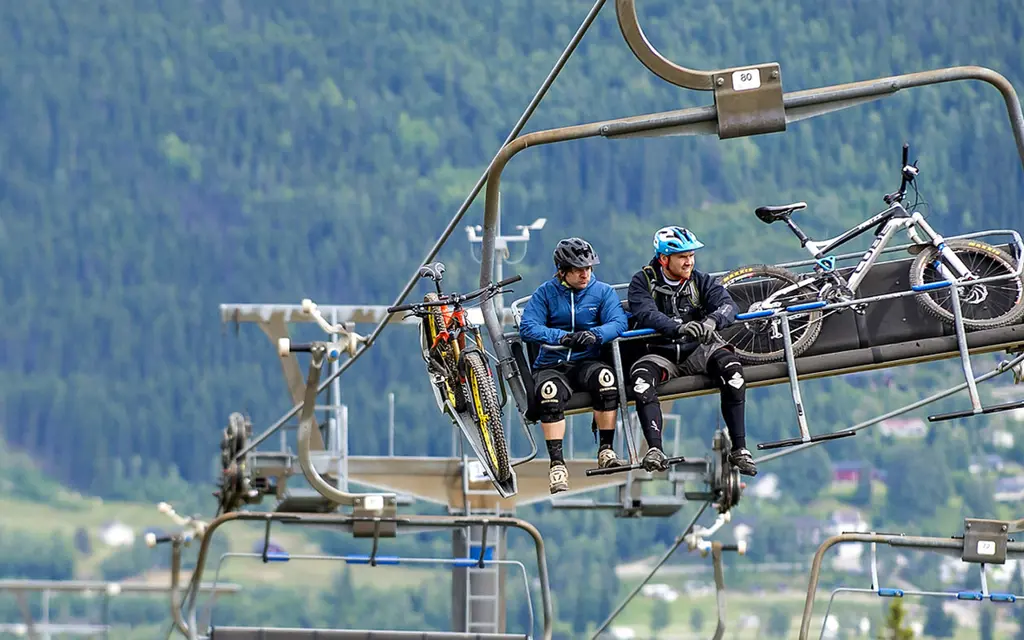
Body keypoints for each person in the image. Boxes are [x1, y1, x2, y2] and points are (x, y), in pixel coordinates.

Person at [625, 226, 758, 476]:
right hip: (659, 352)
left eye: (691, 255)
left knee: (734, 374)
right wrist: (679, 328)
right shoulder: (642, 281)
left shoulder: (700, 281)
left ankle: (740, 449)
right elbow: (646, 313)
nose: (689, 262)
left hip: (698, 350)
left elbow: (729, 304)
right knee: (642, 383)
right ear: (664, 259)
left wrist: (712, 321)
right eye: (682, 257)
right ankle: (655, 450)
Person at [519, 237, 631, 493]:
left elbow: (619, 322)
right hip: (552, 364)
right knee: (549, 394)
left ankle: (606, 449)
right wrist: (562, 337)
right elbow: (528, 327)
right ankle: (557, 465)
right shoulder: (545, 293)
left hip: (586, 362)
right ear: (562, 271)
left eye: (589, 268)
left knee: (606, 379)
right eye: (578, 269)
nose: (585, 274)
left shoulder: (602, 292)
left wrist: (596, 335)